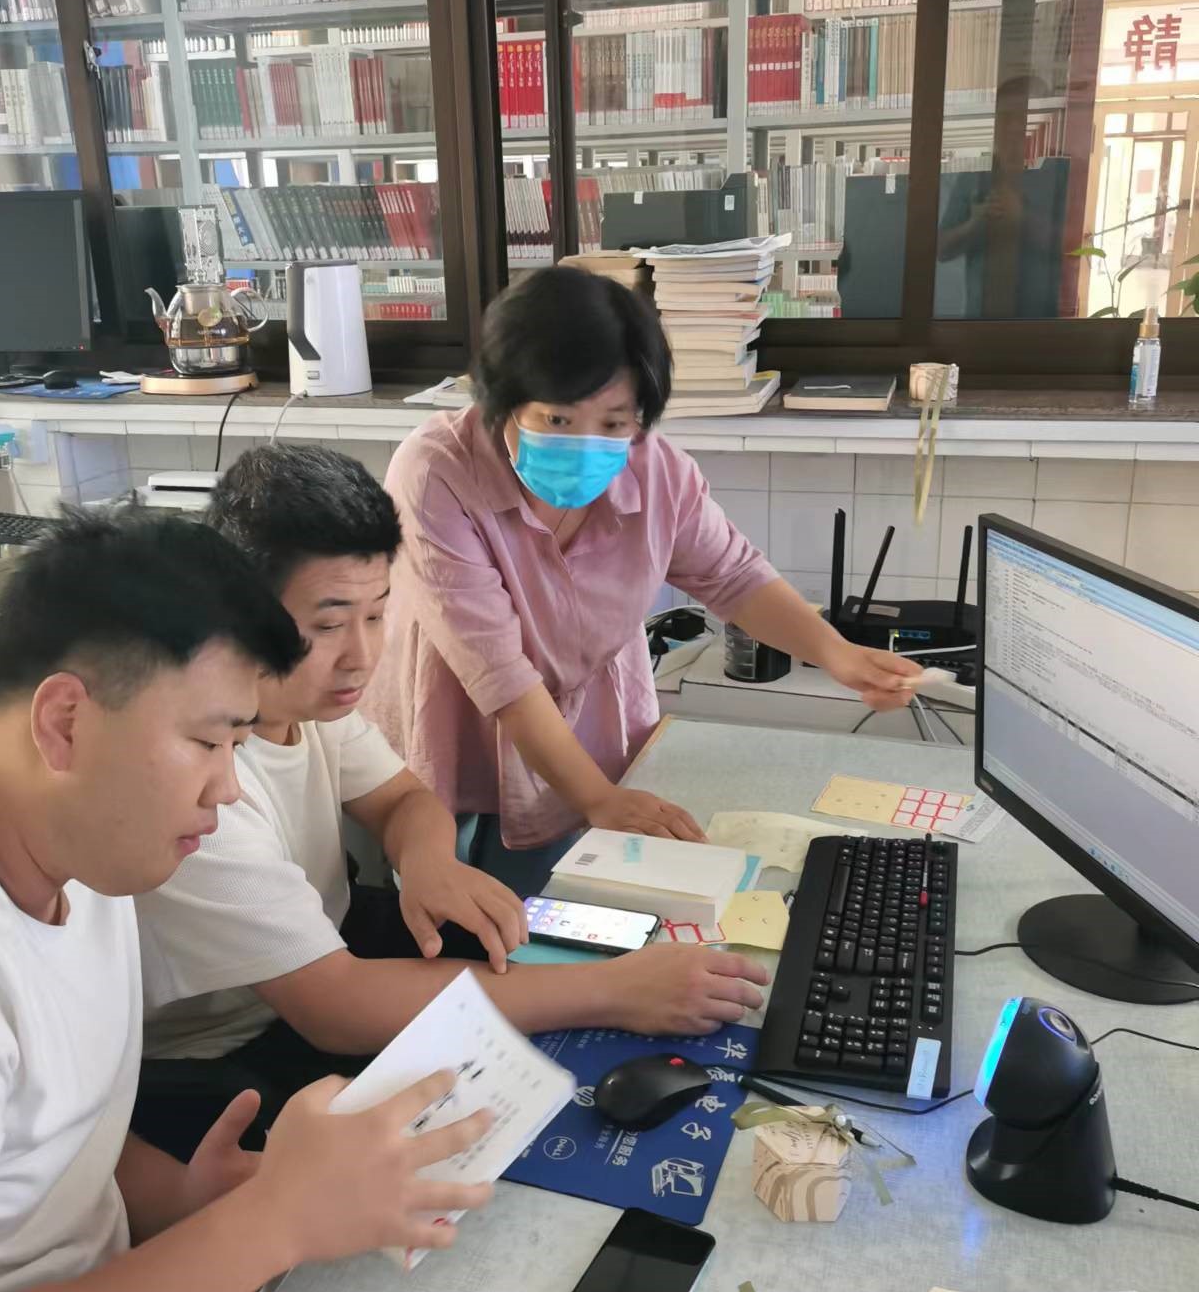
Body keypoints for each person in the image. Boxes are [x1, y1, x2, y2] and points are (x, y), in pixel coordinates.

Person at [0, 509, 493, 1292]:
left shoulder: (82, 852)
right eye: (210, 741)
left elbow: (47, 1152)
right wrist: (274, 1220)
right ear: (65, 723)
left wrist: (181, 1202)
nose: (227, 789)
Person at [132, 444, 769, 1160]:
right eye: (329, 625)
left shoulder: (309, 703)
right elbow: (334, 1008)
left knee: (548, 951)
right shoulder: (200, 784)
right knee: (497, 1117)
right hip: (224, 1051)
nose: (361, 656)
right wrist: (615, 991)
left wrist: (428, 861)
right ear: (240, 613)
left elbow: (402, 798)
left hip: (328, 949)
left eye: (378, 615)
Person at [365, 266, 921, 893]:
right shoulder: (435, 473)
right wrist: (597, 798)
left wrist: (838, 654)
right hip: (466, 721)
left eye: (614, 423)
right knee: (476, 903)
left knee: (591, 899)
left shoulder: (657, 471)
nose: (587, 445)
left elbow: (733, 575)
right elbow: (500, 674)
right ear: (504, 401)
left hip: (589, 729)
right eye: (557, 420)